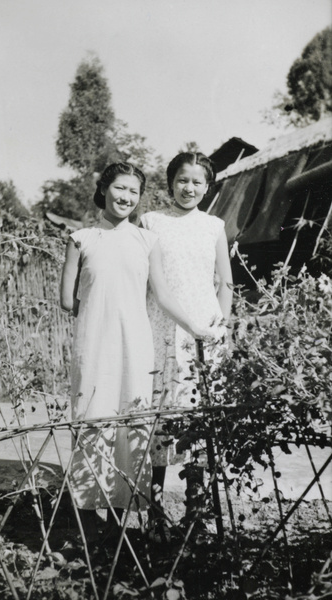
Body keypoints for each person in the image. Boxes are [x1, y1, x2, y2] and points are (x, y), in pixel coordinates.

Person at [60, 162, 208, 546]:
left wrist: (196, 327)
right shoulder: (80, 239)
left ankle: (124, 517)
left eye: (134, 192)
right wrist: (100, 314)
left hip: (135, 344)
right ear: (103, 189)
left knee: (132, 419)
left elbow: (161, 294)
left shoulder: (147, 241)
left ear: (140, 198)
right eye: (119, 188)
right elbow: (66, 299)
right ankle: (90, 518)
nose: (126, 197)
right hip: (93, 343)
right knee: (94, 417)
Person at [140, 151, 233, 541]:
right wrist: (185, 322)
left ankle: (196, 512)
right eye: (182, 179)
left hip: (206, 333)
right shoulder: (152, 222)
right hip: (164, 326)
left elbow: (225, 282)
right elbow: (153, 283)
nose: (188, 188)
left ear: (208, 186)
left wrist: (222, 321)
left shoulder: (214, 225)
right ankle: (156, 514)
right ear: (170, 182)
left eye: (197, 181)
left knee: (199, 417)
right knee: (162, 415)